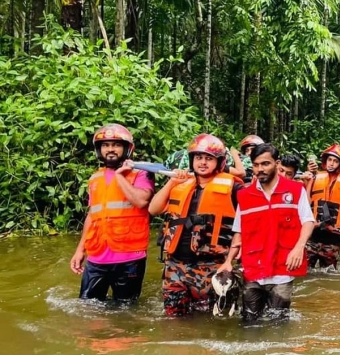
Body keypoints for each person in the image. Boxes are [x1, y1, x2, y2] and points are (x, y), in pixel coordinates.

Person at [149, 134, 244, 316]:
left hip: (213, 265)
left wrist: (231, 260)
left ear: (220, 162)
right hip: (176, 265)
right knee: (173, 320)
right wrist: (172, 182)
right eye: (198, 157)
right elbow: (153, 209)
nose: (203, 162)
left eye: (209, 158)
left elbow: (247, 222)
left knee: (214, 320)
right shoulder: (181, 184)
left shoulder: (234, 188)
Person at [218, 144, 315, 322]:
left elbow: (308, 221)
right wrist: (228, 261)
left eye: (265, 164)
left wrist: (299, 247)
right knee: (249, 322)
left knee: (278, 323)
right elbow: (238, 231)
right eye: (256, 165)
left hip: (282, 268)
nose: (260, 169)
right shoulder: (245, 196)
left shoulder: (295, 190)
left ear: (277, 164)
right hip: (253, 267)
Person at [70, 124, 154, 303]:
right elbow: (93, 215)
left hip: (130, 256)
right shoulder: (95, 178)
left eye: (116, 145)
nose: (110, 149)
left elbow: (141, 201)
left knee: (125, 311)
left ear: (127, 148)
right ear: (99, 150)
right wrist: (80, 250)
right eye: (105, 145)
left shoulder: (141, 173)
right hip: (97, 256)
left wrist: (119, 176)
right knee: (87, 307)